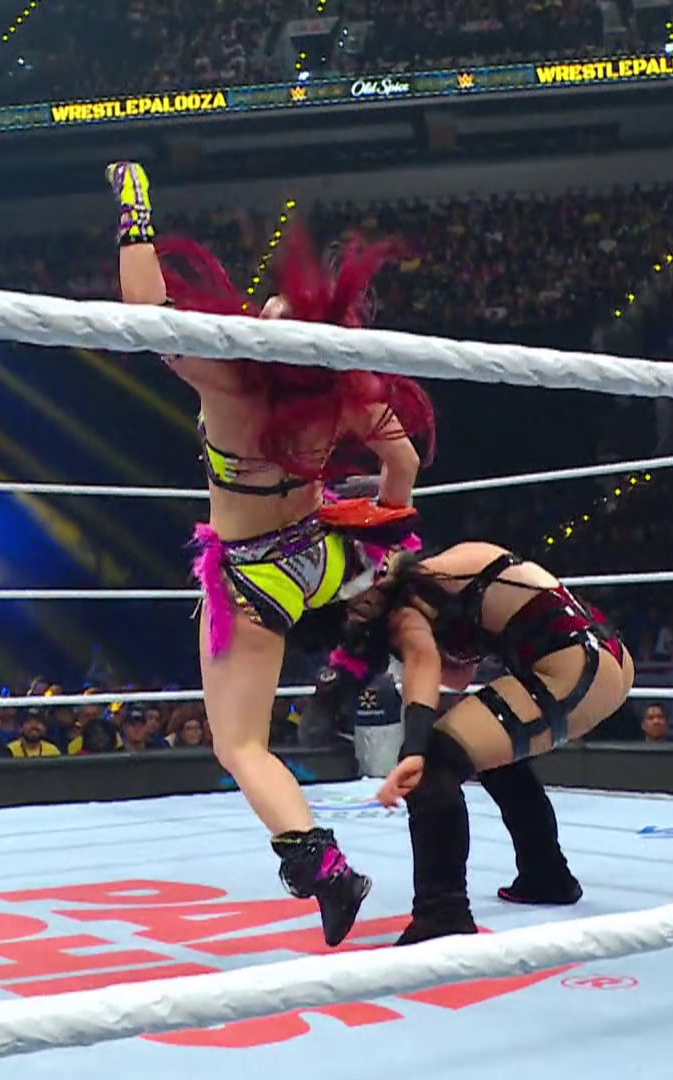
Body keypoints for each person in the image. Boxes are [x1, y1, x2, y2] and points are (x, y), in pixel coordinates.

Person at [109, 161, 436, 947]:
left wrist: (134, 205)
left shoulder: (226, 380)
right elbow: (403, 467)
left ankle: (325, 867)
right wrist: (373, 525)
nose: (263, 306)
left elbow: (144, 309)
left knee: (239, 744)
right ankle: (345, 683)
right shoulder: (345, 391)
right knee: (268, 711)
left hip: (250, 573)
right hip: (322, 558)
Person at [311, 540, 633, 944]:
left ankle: (442, 915)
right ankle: (546, 873)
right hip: (604, 656)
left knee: (434, 764)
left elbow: (425, 667)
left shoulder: (407, 604)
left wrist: (414, 749)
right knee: (489, 752)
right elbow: (461, 675)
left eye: (353, 599)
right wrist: (403, 655)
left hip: (572, 668)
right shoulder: (444, 577)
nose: (353, 611)